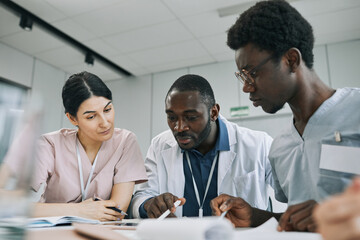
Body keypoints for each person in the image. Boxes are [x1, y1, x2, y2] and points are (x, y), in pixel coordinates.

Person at [211, 0, 360, 232]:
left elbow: (319, 215)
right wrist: (254, 216)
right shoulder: (280, 147)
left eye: (252, 74)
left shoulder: (356, 110)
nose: (246, 88)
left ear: (291, 60)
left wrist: (341, 212)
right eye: (242, 77)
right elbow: (299, 219)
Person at [2, 71, 147, 221]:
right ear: (72, 118)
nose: (105, 122)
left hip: (100, 232)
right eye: (91, 116)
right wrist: (79, 210)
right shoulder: (50, 145)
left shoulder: (125, 141)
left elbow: (117, 210)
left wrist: (53, 209)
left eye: (108, 109)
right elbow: (14, 202)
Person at [131, 74, 273, 219]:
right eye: (172, 118)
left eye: (191, 117)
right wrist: (148, 205)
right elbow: (141, 197)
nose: (179, 128)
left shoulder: (259, 144)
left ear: (213, 112)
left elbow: (295, 195)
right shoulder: (159, 145)